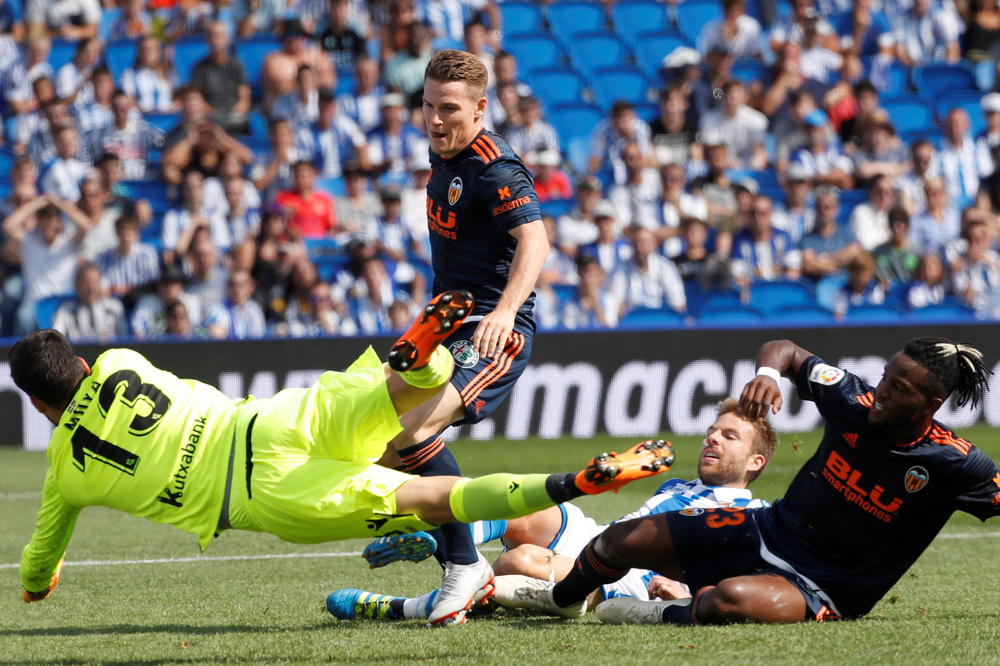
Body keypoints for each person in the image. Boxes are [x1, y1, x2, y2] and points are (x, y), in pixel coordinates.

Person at [14, 295, 673, 624]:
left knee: (438, 499)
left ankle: (574, 482)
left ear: (40, 406)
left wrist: (41, 580)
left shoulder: (64, 475)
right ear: (80, 362)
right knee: (401, 401)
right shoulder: (123, 361)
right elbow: (101, 376)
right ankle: (425, 357)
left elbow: (37, 573)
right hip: (268, 420)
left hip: (264, 494)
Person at [500, 335, 998, 626]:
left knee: (727, 599)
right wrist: (767, 374)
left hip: (822, 587)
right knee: (618, 540)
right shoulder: (852, 400)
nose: (882, 391)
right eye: (887, 376)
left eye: (899, 388)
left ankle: (642, 612)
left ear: (931, 404)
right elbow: (783, 349)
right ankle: (562, 600)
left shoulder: (956, 463)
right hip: (762, 531)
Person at [372, 49, 550, 627]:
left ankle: (464, 562)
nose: (434, 119)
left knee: (412, 429)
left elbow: (536, 241)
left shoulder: (497, 169)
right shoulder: (442, 150)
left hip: (493, 333)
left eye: (448, 108)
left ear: (480, 107)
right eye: (427, 106)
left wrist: (503, 312)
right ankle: (437, 538)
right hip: (442, 328)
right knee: (375, 439)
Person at [328, 397, 775, 621]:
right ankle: (443, 537)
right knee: (528, 513)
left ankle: (397, 606)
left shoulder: (754, 514)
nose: (712, 439)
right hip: (600, 536)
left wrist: (688, 592)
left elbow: (756, 576)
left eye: (729, 437)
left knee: (520, 560)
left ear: (756, 462)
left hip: (622, 579)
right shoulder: (685, 485)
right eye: (713, 431)